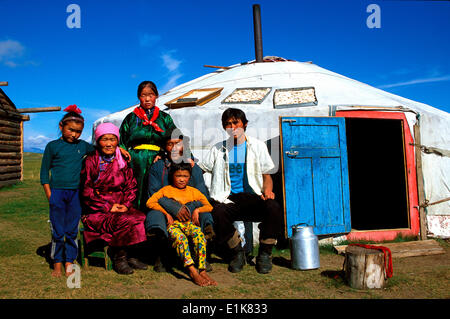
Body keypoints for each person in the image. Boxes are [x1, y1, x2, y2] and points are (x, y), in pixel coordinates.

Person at [199, 108, 283, 274]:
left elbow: (267, 176)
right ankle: (237, 253)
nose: (232, 127)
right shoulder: (218, 149)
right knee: (217, 211)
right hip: (228, 198)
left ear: (244, 124)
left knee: (274, 207)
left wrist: (268, 190)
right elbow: (201, 169)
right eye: (228, 124)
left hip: (253, 197)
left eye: (236, 122)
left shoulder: (257, 146)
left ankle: (265, 254)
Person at [80, 123, 148, 275]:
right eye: (105, 139)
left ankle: (131, 256)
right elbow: (86, 190)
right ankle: (119, 258)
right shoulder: (91, 161)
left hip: (120, 207)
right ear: (98, 141)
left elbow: (131, 185)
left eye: (112, 139)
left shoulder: (122, 160)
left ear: (117, 141)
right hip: (96, 211)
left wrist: (125, 204)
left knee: (140, 217)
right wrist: (107, 206)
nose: (109, 144)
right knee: (125, 221)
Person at [145, 129, 215, 272]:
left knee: (204, 215)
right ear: (165, 147)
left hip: (189, 207)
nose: (174, 148)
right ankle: (163, 256)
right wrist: (174, 209)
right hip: (166, 208)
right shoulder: (158, 167)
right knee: (155, 216)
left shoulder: (193, 167)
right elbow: (153, 195)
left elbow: (202, 195)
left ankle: (199, 255)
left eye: (178, 143)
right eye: (170, 144)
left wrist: (189, 208)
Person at [40, 105, 95, 277]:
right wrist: (50, 194)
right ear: (61, 126)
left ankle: (69, 262)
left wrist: (119, 149)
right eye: (71, 130)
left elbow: (101, 149)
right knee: (58, 230)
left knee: (71, 230)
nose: (74, 134)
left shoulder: (83, 146)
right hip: (57, 192)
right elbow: (44, 172)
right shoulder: (52, 146)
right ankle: (57, 262)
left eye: (78, 131)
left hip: (75, 195)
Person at [146, 163, 217, 286]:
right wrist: (166, 213)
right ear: (172, 176)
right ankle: (192, 270)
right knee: (181, 239)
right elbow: (150, 202)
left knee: (199, 236)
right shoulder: (166, 190)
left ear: (189, 177)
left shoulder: (194, 192)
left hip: (189, 224)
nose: (181, 179)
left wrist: (197, 210)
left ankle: (202, 270)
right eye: (178, 175)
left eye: (185, 176)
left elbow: (209, 206)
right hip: (174, 225)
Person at [119, 81, 177, 211]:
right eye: (143, 95)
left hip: (158, 159)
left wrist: (163, 153)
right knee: (134, 189)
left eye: (150, 95)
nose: (147, 99)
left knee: (155, 189)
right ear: (138, 97)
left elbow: (175, 138)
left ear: (156, 96)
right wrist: (122, 152)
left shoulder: (164, 118)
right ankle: (134, 219)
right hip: (135, 160)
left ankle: (154, 220)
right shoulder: (131, 118)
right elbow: (121, 139)